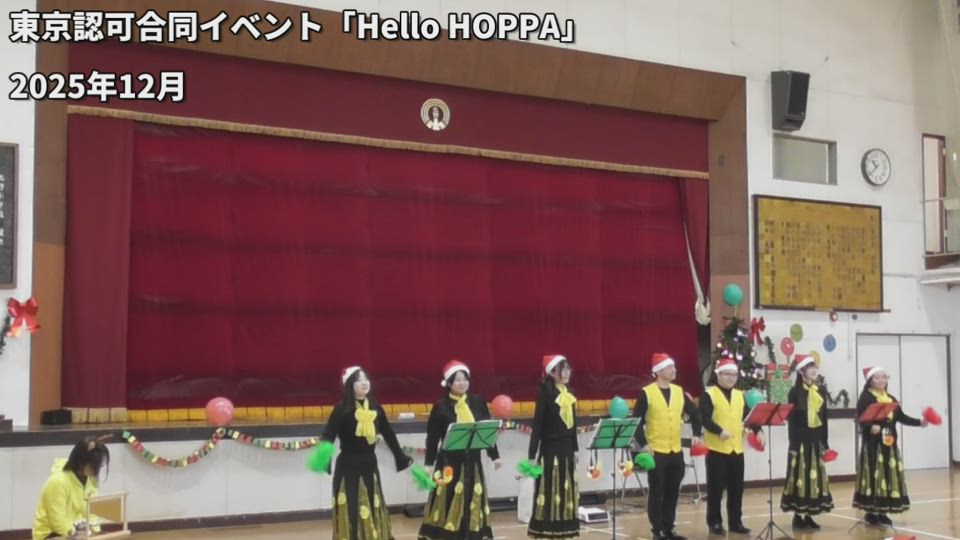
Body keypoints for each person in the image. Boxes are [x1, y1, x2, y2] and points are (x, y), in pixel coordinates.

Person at [324, 366, 413, 540]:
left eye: (366, 379)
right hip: (348, 466)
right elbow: (328, 436)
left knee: (372, 504)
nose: (364, 383)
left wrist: (400, 457)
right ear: (350, 385)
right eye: (359, 380)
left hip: (369, 464)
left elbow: (389, 434)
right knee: (351, 507)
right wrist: (324, 459)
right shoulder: (341, 409)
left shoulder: (375, 408)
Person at [419, 360, 503, 540]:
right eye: (457, 380)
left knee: (472, 499)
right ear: (448, 383)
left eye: (465, 379)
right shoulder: (441, 406)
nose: (462, 383)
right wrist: (428, 463)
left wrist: (495, 456)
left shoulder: (478, 402)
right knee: (447, 500)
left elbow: (486, 431)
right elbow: (432, 438)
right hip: (449, 464)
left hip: (473, 463)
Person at [633, 353, 703, 540]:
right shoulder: (647, 392)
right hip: (656, 451)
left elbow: (695, 413)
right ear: (659, 371)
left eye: (674, 367)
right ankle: (657, 530)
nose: (674, 370)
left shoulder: (679, 391)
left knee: (673, 491)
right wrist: (644, 444)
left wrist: (696, 434)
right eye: (670, 367)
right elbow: (636, 421)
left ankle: (669, 528)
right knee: (656, 491)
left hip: (675, 450)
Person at [852, 366, 927, 526]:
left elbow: (901, 417)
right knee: (875, 475)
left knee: (887, 476)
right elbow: (860, 419)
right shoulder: (865, 398)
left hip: (889, 444)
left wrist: (920, 422)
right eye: (877, 377)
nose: (881, 380)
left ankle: (883, 511)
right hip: (873, 445)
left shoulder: (891, 398)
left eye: (884, 377)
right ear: (870, 381)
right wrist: (870, 427)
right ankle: (871, 512)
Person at [699, 357, 762, 536]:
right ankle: (714, 522)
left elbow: (748, 417)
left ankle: (736, 522)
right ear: (719, 375)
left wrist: (758, 430)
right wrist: (719, 431)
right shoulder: (709, 394)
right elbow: (704, 419)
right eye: (727, 374)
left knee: (736, 488)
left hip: (736, 449)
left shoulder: (740, 395)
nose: (730, 378)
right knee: (716, 489)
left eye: (733, 374)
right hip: (717, 450)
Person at [527, 354, 580, 539]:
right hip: (550, 449)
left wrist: (575, 448)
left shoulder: (569, 393)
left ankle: (566, 528)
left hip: (567, 448)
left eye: (567, 369)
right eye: (561, 370)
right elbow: (537, 425)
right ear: (551, 372)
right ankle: (546, 528)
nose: (566, 373)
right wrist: (531, 455)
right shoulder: (545, 393)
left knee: (567, 489)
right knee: (549, 489)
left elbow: (573, 425)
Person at [780, 355, 834, 530]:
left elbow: (824, 418)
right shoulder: (794, 392)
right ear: (801, 371)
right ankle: (798, 516)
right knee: (800, 478)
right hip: (801, 441)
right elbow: (792, 422)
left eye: (815, 367)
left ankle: (810, 515)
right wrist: (793, 445)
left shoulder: (820, 390)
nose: (814, 370)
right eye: (810, 367)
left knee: (814, 479)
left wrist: (825, 443)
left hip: (816, 439)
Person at [33, 436, 111, 540]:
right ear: (81, 461)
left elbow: (93, 515)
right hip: (51, 535)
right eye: (94, 465)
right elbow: (58, 523)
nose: (97, 470)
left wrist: (95, 534)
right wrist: (81, 536)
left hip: (79, 534)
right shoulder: (58, 481)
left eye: (99, 466)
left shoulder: (90, 481)